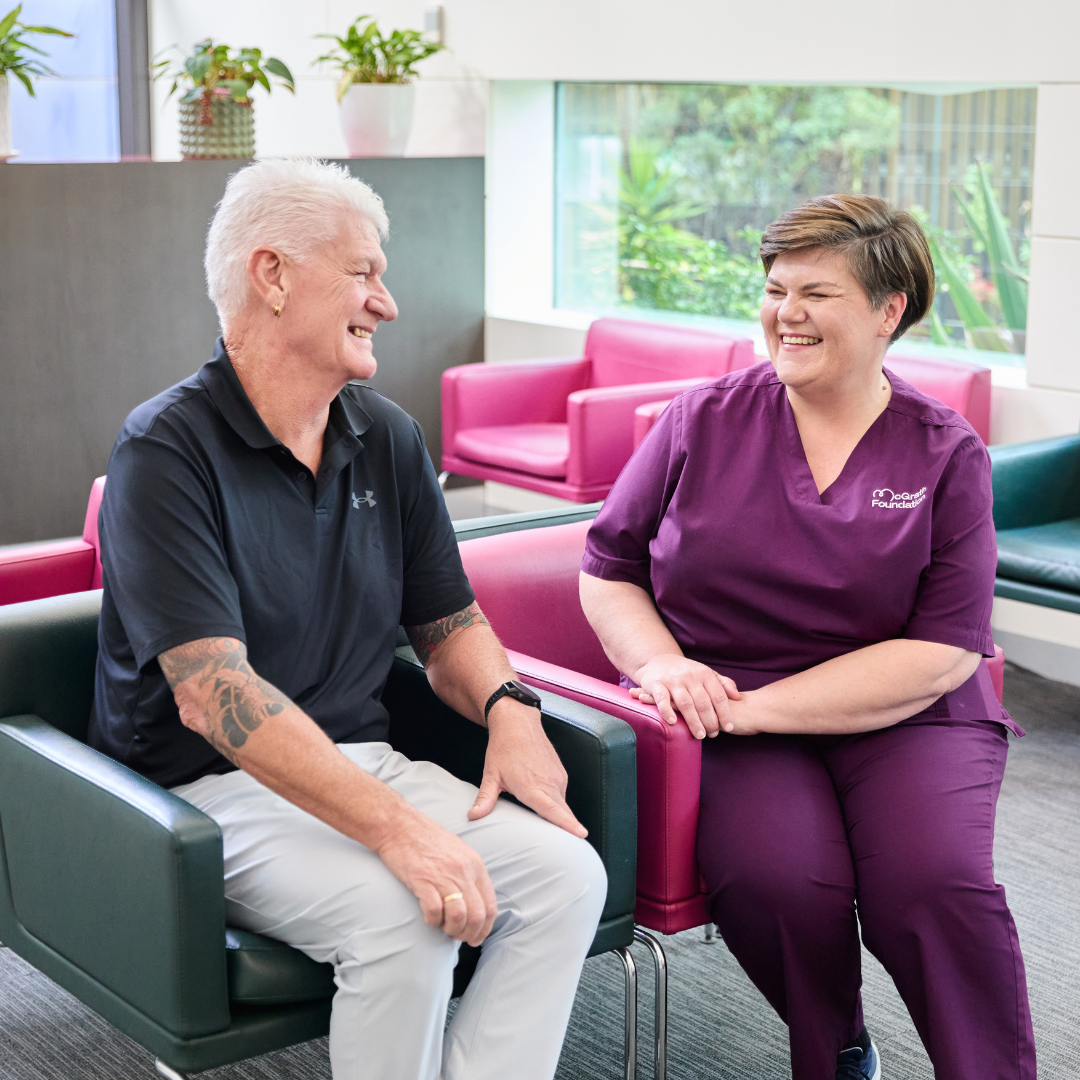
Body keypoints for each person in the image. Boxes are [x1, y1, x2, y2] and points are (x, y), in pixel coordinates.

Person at [88, 158, 606, 1080]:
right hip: (205, 794)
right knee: (398, 915)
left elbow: (449, 627)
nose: (388, 302)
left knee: (568, 877)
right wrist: (402, 833)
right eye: (364, 273)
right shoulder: (164, 450)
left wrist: (511, 708)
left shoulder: (389, 437)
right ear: (273, 274)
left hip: (364, 763)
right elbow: (215, 699)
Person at [580, 194, 1035, 1080]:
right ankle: (836, 1053)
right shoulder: (701, 419)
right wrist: (663, 665)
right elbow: (609, 566)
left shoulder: (944, 450)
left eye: (817, 293)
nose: (786, 313)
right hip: (724, 700)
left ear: (887, 309)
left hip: (903, 712)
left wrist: (752, 712)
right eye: (775, 287)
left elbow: (942, 651)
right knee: (780, 883)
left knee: (932, 883)